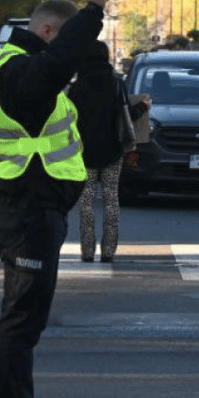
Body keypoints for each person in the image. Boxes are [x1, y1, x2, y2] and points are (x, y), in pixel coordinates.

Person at [0, 0, 111, 398]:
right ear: (50, 31)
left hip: (37, 210)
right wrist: (93, 12)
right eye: (71, 42)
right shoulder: (20, 73)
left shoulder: (24, 69)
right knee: (18, 325)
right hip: (25, 211)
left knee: (27, 326)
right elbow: (56, 65)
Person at [68, 40, 147, 263]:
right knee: (112, 199)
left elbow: (68, 120)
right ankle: (109, 250)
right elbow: (127, 116)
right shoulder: (116, 84)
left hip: (83, 154)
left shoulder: (76, 87)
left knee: (86, 201)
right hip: (113, 150)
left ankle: (87, 250)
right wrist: (143, 107)